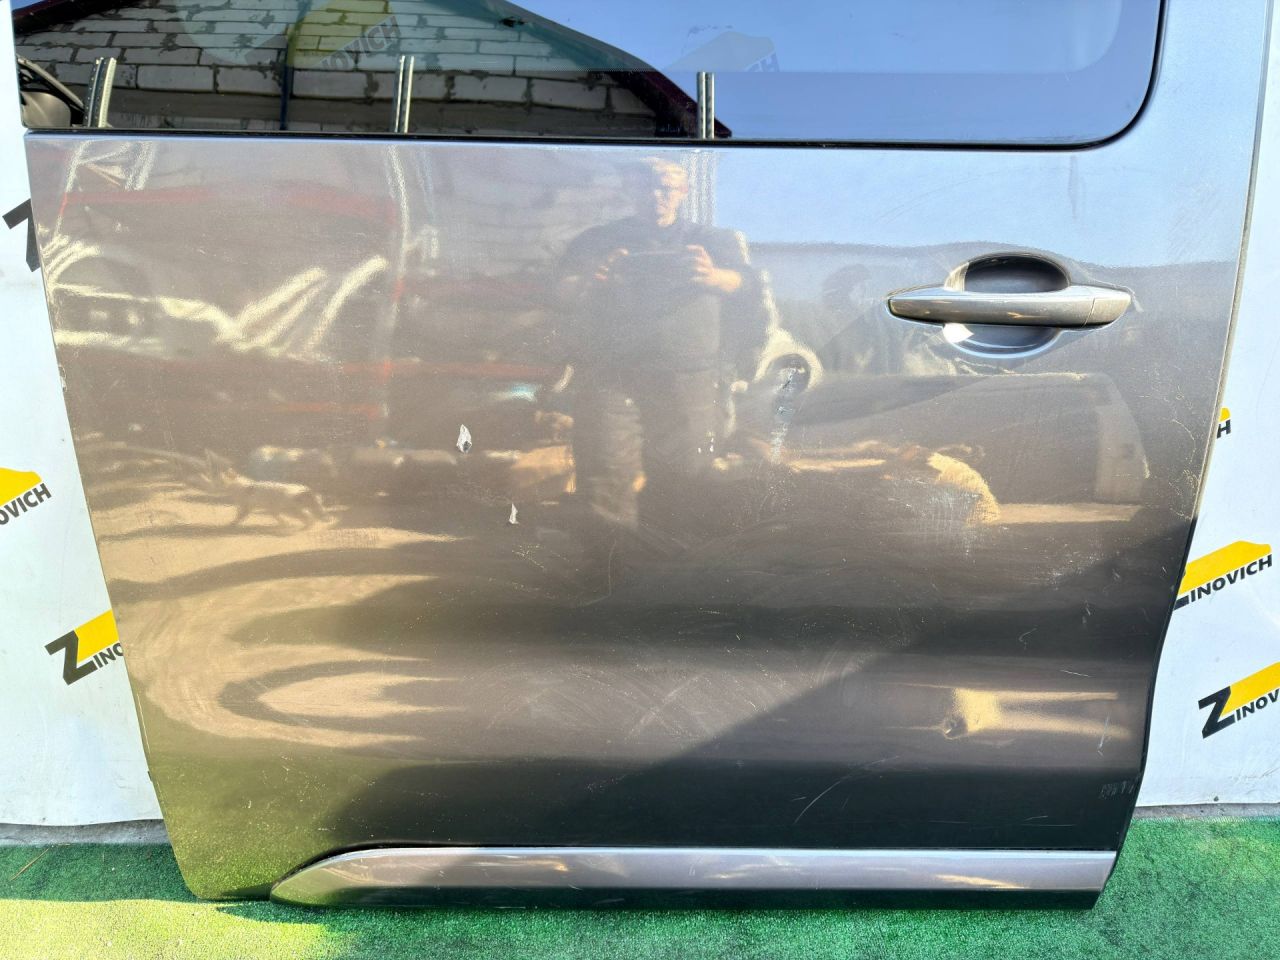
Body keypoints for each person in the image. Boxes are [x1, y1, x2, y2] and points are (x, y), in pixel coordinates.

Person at [557, 158, 766, 565]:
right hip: (611, 373)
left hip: (689, 373)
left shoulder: (712, 241)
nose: (657, 196)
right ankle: (606, 569)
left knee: (687, 473)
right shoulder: (597, 240)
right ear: (629, 191)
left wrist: (713, 276)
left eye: (667, 188)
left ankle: (673, 572)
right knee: (604, 467)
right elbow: (558, 292)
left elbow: (748, 285)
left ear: (683, 192)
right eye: (646, 187)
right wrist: (590, 277)